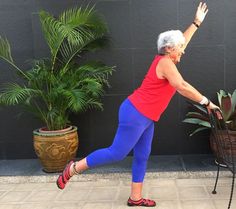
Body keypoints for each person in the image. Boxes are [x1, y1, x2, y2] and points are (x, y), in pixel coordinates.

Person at [56, 2, 219, 207]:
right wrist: (207, 102)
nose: (183, 51)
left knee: (142, 154)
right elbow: (181, 86)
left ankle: (135, 198)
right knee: (117, 152)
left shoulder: (168, 57)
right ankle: (73, 168)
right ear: (169, 49)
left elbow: (183, 42)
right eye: (179, 48)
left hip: (146, 116)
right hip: (135, 113)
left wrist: (196, 23)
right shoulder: (165, 63)